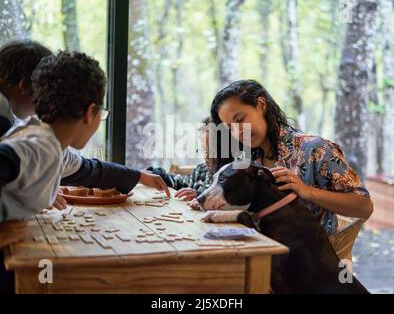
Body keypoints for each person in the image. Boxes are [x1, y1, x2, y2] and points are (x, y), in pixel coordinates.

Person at [0, 40, 169, 212]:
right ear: (90, 113)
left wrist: (137, 175)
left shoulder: (49, 146)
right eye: (101, 112)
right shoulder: (34, 147)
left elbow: (86, 169)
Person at [206, 79, 373, 234]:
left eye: (240, 119)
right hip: (260, 248)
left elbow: (364, 206)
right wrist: (205, 198)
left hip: (309, 258)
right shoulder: (249, 160)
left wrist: (306, 191)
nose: (238, 131)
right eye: (230, 128)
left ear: (261, 104)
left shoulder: (314, 149)